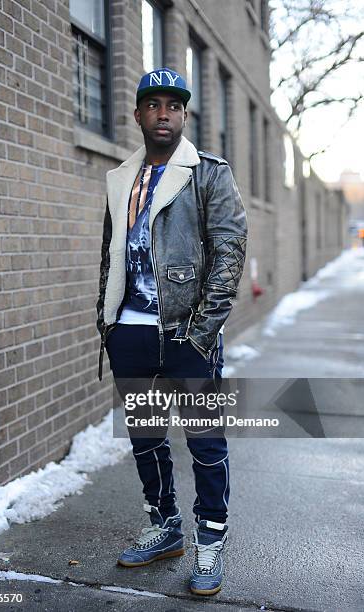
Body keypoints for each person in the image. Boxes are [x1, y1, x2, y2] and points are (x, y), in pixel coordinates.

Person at [96, 67, 247, 596]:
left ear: (184, 116)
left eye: (174, 106)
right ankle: (165, 528)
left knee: (205, 442)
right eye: (153, 105)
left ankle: (210, 539)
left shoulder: (208, 173)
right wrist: (109, 322)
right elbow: (112, 254)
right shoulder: (122, 178)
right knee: (146, 440)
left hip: (188, 334)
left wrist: (203, 332)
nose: (164, 114)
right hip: (132, 334)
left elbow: (229, 253)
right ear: (138, 114)